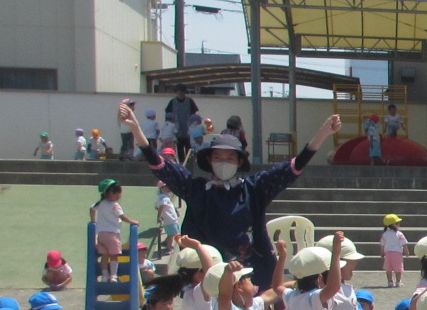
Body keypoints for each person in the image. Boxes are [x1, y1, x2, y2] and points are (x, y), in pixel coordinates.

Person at [119, 99, 341, 283]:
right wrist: (136, 129)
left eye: (229, 158)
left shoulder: (255, 189)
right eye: (217, 157)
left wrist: (321, 135)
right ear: (209, 160)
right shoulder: (196, 189)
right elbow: (160, 166)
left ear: (239, 161)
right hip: (207, 276)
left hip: (252, 277)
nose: (223, 162)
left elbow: (294, 167)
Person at [90, 180, 126, 284]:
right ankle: (113, 276)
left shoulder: (100, 203)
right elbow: (122, 216)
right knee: (114, 255)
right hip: (112, 234)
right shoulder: (115, 205)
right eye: (118, 193)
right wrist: (132, 221)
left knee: (104, 255)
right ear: (111, 193)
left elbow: (92, 209)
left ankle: (104, 276)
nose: (119, 195)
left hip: (101, 235)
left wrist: (93, 221)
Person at [380, 213, 408, 287]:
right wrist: (407, 252)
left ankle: (390, 282)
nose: (399, 224)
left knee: (388, 268)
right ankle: (398, 282)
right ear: (393, 225)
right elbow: (404, 243)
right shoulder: (399, 234)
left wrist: (382, 252)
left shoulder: (385, 234)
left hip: (388, 253)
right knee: (398, 268)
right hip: (397, 253)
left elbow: (382, 244)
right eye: (397, 223)